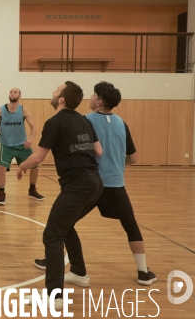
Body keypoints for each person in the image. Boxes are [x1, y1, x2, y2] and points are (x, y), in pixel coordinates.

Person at [34, 82, 156, 286]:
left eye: (93, 95)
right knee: (131, 226)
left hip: (91, 183)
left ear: (99, 101)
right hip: (116, 184)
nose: (89, 98)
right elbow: (133, 159)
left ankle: (59, 262)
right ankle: (143, 271)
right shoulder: (121, 123)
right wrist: (116, 163)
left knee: (63, 225)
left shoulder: (84, 121)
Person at [16, 81, 103, 308]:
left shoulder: (54, 122)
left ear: (62, 99)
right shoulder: (84, 120)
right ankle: (79, 273)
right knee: (66, 227)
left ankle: (53, 296)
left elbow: (37, 157)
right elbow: (98, 150)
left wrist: (21, 166)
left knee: (52, 235)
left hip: (78, 186)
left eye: (57, 90)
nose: (54, 92)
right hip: (95, 184)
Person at [0, 87, 42, 205]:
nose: (12, 93)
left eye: (15, 92)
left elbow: (34, 127)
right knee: (2, 168)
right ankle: (1, 193)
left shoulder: (23, 110)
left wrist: (30, 139)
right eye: (11, 91)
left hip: (22, 145)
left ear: (19, 96)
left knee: (35, 167)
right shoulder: (1, 110)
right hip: (6, 145)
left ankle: (32, 189)